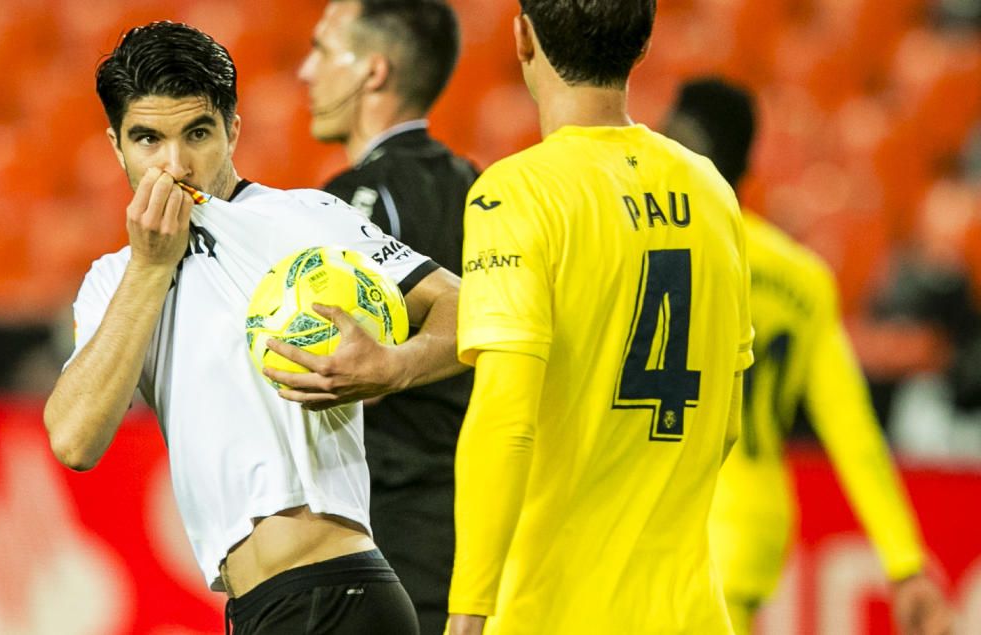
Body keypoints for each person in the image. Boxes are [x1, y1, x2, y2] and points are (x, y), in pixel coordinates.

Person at [43, 21, 466, 635]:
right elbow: (75, 441)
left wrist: (394, 366)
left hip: (335, 594)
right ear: (115, 146)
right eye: (147, 139)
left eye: (197, 133)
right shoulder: (114, 281)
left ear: (232, 130)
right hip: (259, 610)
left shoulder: (303, 218)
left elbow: (467, 308)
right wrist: (152, 265)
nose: (175, 163)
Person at [447, 2, 754, 634]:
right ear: (642, 46)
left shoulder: (517, 193)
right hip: (691, 612)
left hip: (550, 609)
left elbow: (504, 418)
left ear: (522, 36)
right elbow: (725, 421)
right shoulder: (713, 193)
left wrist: (468, 609)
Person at [662, 76, 954, 635]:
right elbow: (854, 431)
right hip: (750, 522)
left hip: (664, 510)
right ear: (746, 167)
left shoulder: (644, 246)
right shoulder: (802, 278)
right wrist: (904, 562)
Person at [298, 2, 476, 632]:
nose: (304, 70)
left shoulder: (353, 204)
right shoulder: (480, 188)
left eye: (322, 50)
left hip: (392, 534)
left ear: (373, 71)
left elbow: (319, 361)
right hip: (474, 530)